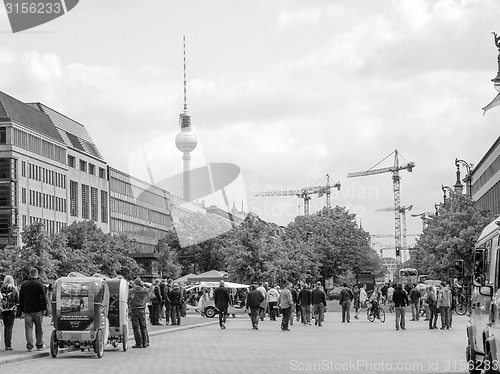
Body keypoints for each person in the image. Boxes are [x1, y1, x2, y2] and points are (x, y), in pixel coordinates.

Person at [18, 268, 48, 352]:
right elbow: (43, 298)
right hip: (38, 310)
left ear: (29, 274)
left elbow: (21, 298)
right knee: (39, 328)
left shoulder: (24, 285)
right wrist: (44, 308)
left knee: (28, 328)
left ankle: (30, 346)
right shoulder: (40, 284)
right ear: (37, 274)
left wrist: (21, 310)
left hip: (27, 310)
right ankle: (39, 345)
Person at [128, 277, 150, 348]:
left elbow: (129, 299)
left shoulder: (131, 291)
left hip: (134, 310)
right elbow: (149, 289)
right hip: (142, 310)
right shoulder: (144, 290)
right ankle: (145, 342)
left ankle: (139, 343)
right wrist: (143, 285)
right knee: (143, 327)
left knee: (136, 327)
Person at [1, 275, 19, 350]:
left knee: (5, 327)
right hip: (11, 310)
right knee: (9, 327)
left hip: (3, 310)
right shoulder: (14, 289)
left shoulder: (1, 289)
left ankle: (6, 342)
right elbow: (17, 300)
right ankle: (8, 344)